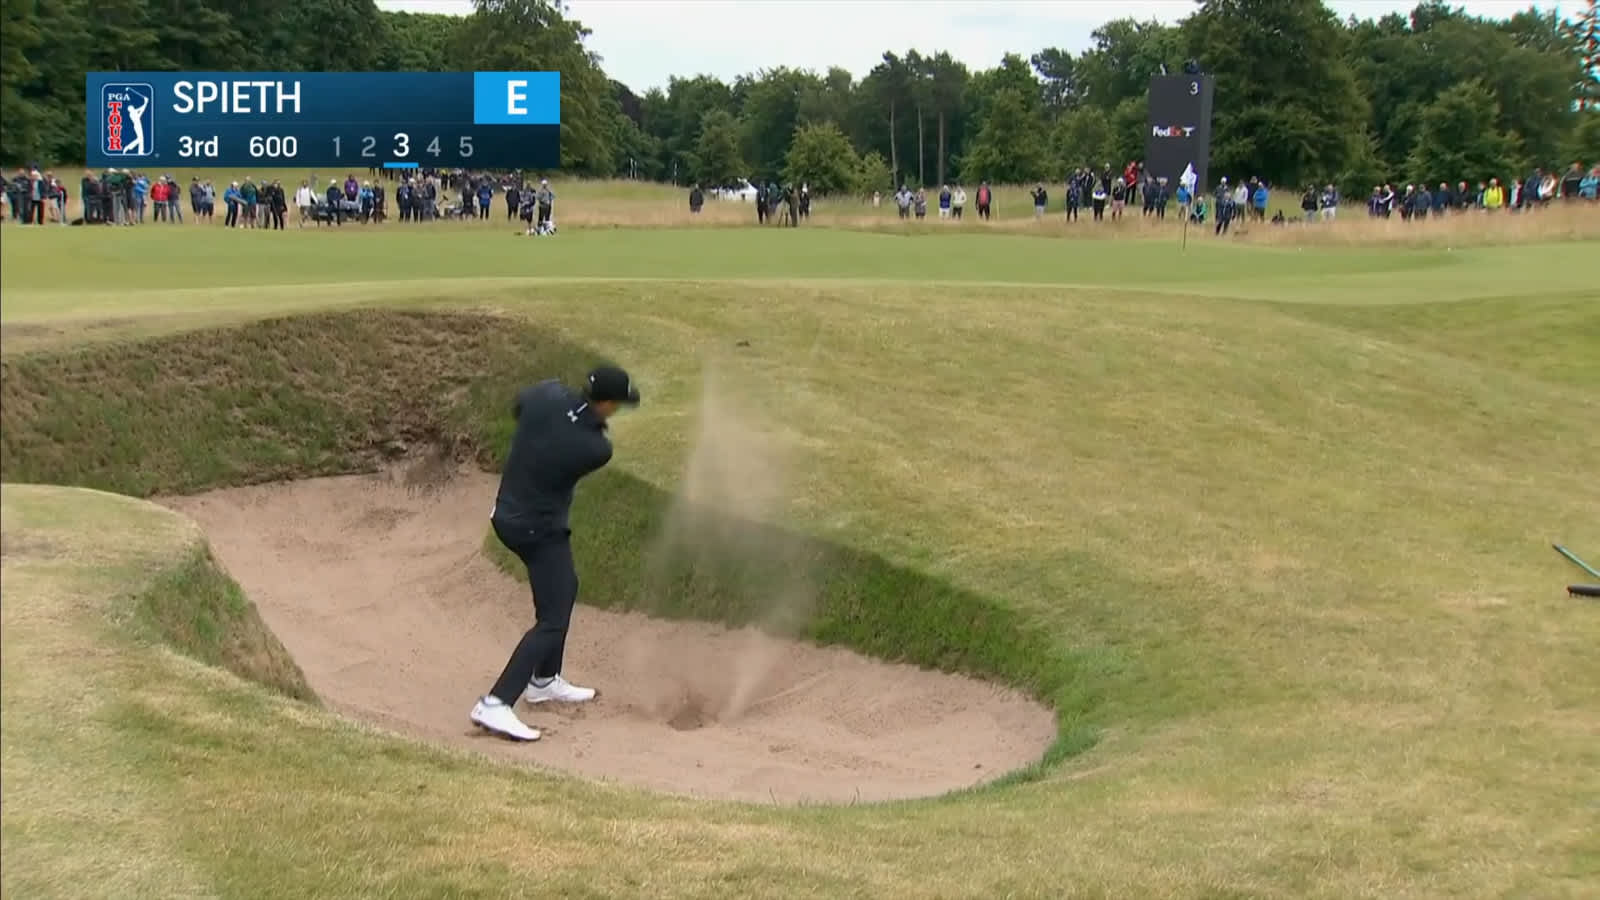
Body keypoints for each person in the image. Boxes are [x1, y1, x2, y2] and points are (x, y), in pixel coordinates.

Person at [470, 366, 642, 742]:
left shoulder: (545, 394)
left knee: (566, 588)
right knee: (552, 619)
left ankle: (544, 680)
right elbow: (582, 437)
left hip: (507, 514)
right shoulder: (597, 449)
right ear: (608, 404)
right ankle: (496, 704)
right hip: (538, 529)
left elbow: (522, 406)